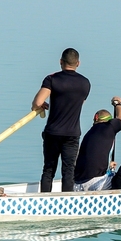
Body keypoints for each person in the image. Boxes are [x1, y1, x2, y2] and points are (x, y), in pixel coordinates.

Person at [31, 48, 91, 192]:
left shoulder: (52, 79)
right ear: (78, 63)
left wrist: (41, 105)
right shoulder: (85, 83)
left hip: (53, 132)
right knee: (69, 170)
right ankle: (67, 201)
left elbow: (38, 102)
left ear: (61, 62)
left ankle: (44, 199)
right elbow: (79, 103)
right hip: (72, 133)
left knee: (49, 169)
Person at [73, 97, 121, 191]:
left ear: (95, 118)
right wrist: (117, 104)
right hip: (95, 183)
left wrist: (108, 165)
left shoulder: (88, 134)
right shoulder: (108, 127)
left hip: (77, 184)